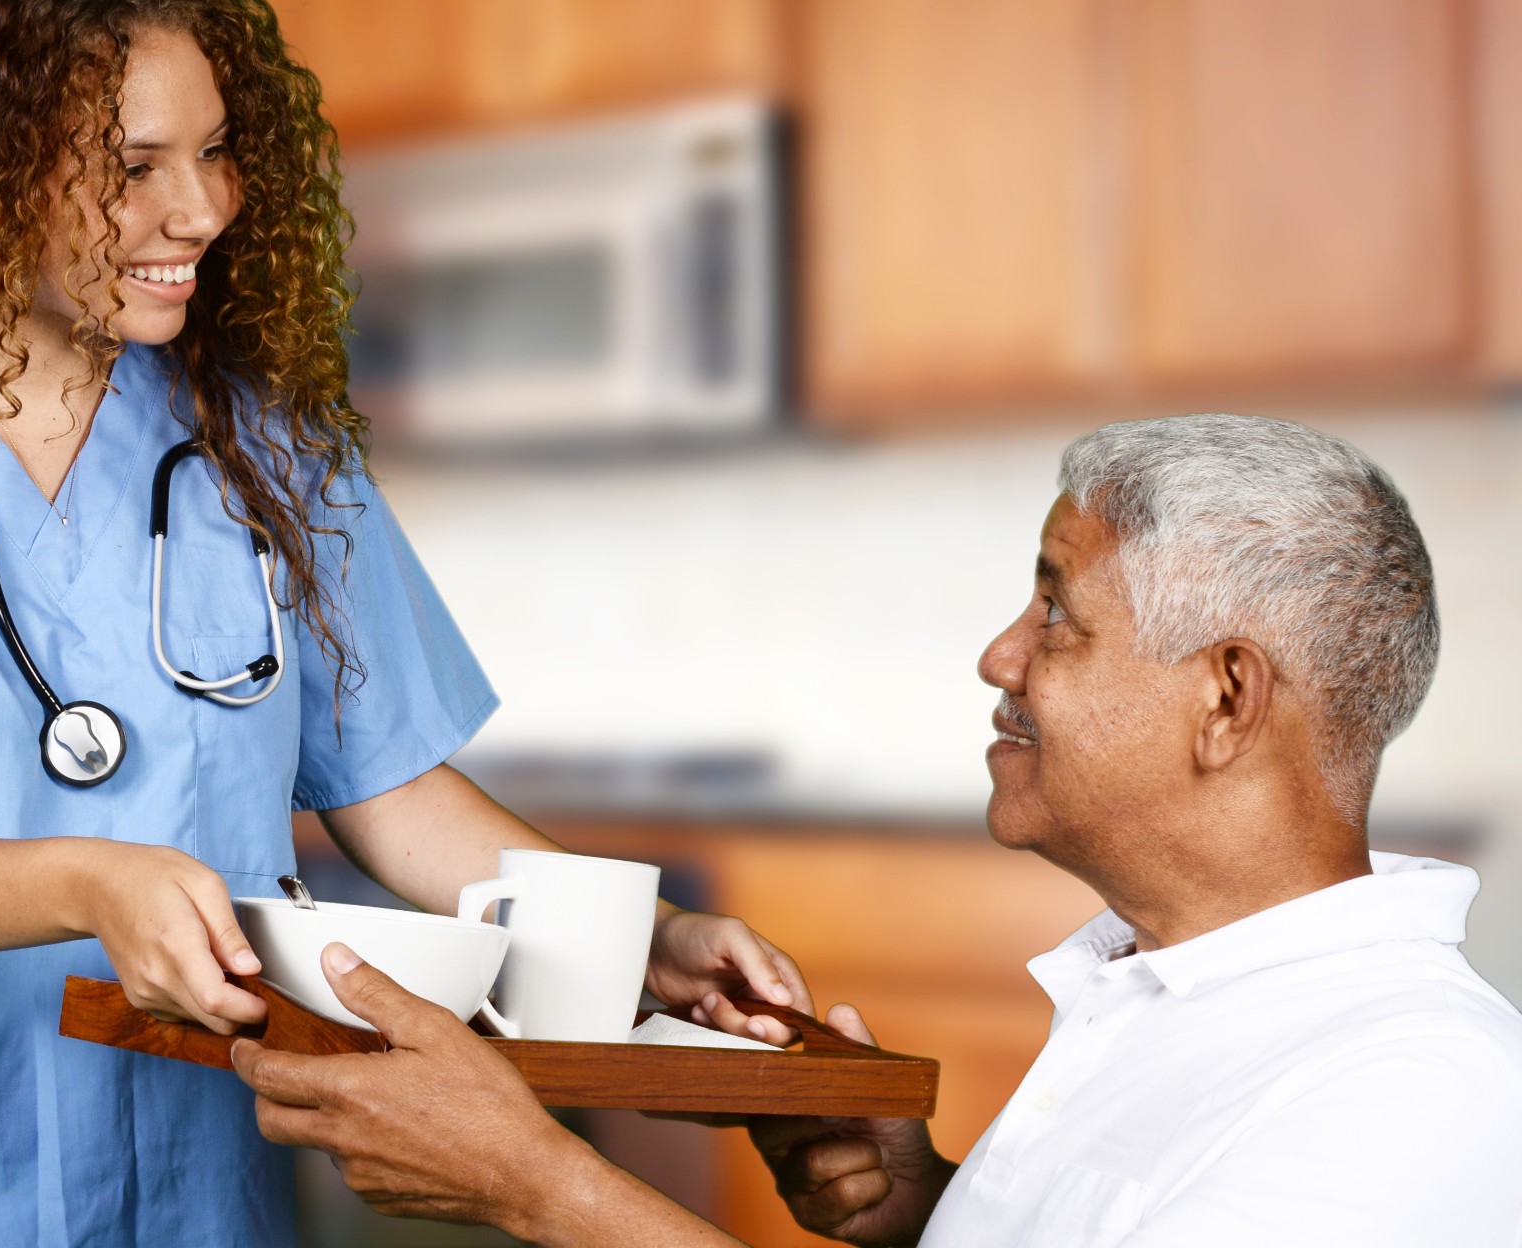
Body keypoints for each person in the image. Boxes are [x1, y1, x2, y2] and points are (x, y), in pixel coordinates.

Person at [0, 0, 809, 1244]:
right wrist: (91, 880)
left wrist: (649, 938)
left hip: (183, 1195)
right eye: (132, 164)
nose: (198, 207)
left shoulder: (261, 439)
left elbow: (393, 793)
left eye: (215, 150)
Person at [235, 413, 1522, 1247]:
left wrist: (540, 1184)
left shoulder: (1415, 1086)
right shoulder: (1167, 991)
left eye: (1056, 610)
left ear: (1226, 696)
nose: (998, 655)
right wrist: (941, 1204)